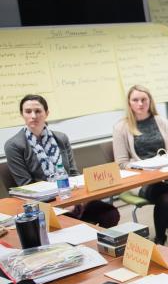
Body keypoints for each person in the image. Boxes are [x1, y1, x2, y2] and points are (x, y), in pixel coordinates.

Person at [4, 94, 120, 228]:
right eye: (28, 111)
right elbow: (27, 187)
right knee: (70, 222)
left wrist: (78, 201)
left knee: (110, 214)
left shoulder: (61, 138)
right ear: (22, 114)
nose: (33, 116)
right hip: (43, 205)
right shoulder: (14, 145)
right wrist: (62, 205)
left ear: (46, 113)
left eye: (38, 111)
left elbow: (73, 173)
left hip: (70, 196)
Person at [113, 85, 168, 247]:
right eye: (135, 100)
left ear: (150, 101)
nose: (140, 104)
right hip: (143, 179)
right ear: (129, 103)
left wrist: (166, 162)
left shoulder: (161, 121)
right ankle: (160, 239)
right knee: (165, 198)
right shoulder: (121, 128)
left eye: (144, 99)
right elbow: (122, 163)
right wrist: (145, 166)